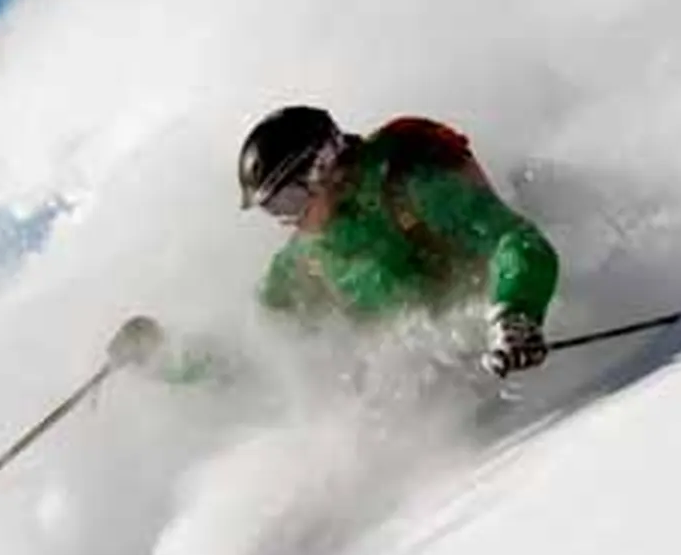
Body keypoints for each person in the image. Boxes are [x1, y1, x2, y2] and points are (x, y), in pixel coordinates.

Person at [229, 103, 560, 377]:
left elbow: (515, 239)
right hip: (445, 393)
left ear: (323, 167)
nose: (288, 219)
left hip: (503, 341)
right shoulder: (311, 254)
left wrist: (515, 313)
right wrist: (190, 370)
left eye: (289, 201)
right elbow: (265, 332)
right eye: (273, 210)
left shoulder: (411, 191)